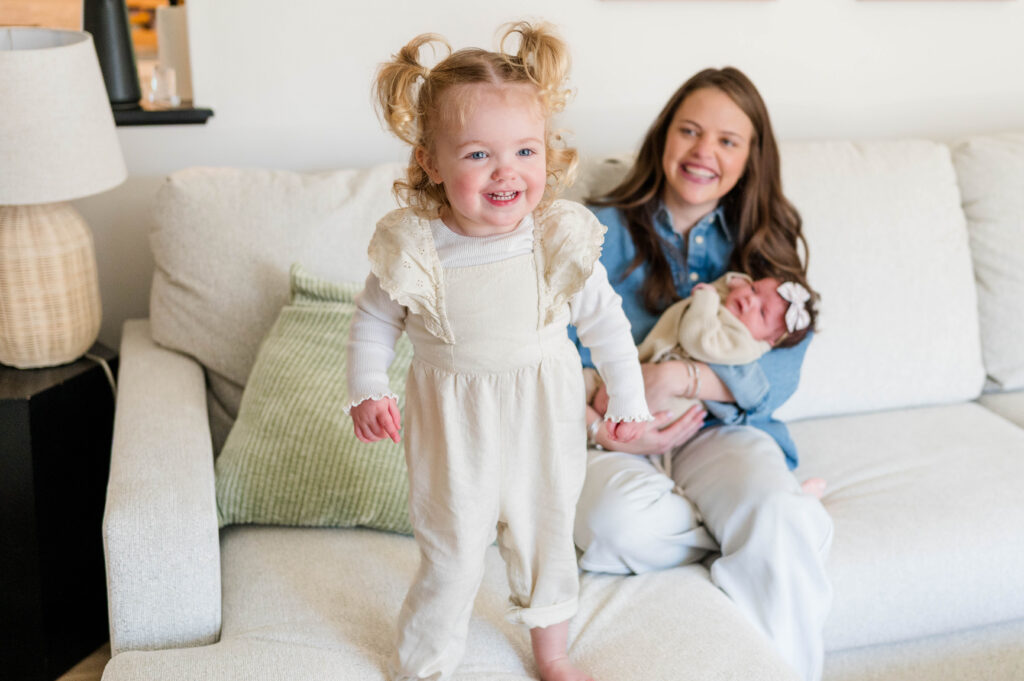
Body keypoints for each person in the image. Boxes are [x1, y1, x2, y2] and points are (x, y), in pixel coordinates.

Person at [347, 22, 652, 681]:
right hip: (452, 421)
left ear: (547, 153)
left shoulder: (556, 236)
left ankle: (554, 653)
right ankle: (426, 663)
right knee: (451, 549)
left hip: (545, 410)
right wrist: (369, 386)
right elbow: (374, 317)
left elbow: (606, 321)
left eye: (524, 150)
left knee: (545, 535)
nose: (507, 170)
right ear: (431, 161)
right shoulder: (418, 246)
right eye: (478, 154)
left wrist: (628, 396)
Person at [570, 67, 834, 681]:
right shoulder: (596, 228)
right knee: (617, 524)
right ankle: (768, 532)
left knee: (767, 510)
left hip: (714, 429)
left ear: (751, 158)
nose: (703, 152)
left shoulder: (765, 246)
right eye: (689, 131)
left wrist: (679, 380)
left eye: (726, 140)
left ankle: (769, 528)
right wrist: (605, 424)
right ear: (664, 136)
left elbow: (783, 369)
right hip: (610, 434)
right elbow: (552, 348)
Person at [586, 271, 827, 498]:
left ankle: (796, 493)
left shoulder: (743, 342)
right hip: (641, 373)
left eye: (762, 312)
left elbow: (696, 338)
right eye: (753, 288)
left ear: (771, 340)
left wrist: (706, 297)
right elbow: (729, 282)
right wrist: (738, 285)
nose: (749, 301)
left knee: (755, 486)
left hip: (671, 404)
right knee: (582, 386)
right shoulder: (733, 309)